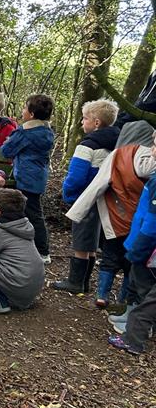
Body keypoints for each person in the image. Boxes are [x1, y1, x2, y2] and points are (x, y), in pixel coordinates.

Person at [67, 124, 156, 309]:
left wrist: (76, 210)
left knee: (110, 256)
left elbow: (97, 185)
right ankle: (124, 300)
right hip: (141, 222)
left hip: (117, 215)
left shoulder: (118, 155)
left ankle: (102, 295)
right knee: (131, 262)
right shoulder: (151, 162)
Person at [53, 100, 120, 293]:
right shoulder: (117, 144)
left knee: (81, 241)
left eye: (85, 118)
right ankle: (85, 282)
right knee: (91, 241)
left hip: (85, 198)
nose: (82, 122)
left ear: (96, 122)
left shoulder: (87, 146)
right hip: (104, 198)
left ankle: (75, 282)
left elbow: (76, 176)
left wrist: (69, 195)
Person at [0, 94, 55, 264]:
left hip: (26, 177)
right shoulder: (47, 132)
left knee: (33, 213)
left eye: (24, 108)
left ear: (30, 114)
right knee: (31, 212)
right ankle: (28, 248)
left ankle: (42, 251)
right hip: (38, 176)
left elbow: (6, 151)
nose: (22, 111)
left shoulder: (25, 132)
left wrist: (11, 140)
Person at [108, 166, 156, 354]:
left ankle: (134, 338)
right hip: (144, 242)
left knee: (147, 297)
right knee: (141, 290)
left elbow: (152, 223)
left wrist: (139, 250)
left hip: (148, 249)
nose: (151, 149)